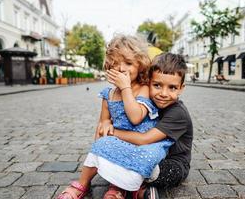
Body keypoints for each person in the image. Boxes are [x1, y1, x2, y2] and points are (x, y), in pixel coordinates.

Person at [57, 35, 174, 199]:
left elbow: (136, 118)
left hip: (140, 143)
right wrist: (105, 124)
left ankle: (118, 187)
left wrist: (126, 88)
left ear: (140, 65)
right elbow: (103, 121)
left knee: (142, 159)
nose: (121, 68)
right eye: (115, 63)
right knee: (101, 143)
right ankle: (82, 184)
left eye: (128, 63)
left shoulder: (143, 89)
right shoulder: (109, 94)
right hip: (118, 141)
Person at [103, 52, 193, 199]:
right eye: (157, 85)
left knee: (150, 168)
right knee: (129, 159)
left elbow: (143, 139)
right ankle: (137, 188)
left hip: (172, 162)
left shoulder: (178, 113)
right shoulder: (146, 102)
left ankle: (137, 188)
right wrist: (106, 121)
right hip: (149, 153)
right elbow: (124, 119)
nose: (163, 93)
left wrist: (112, 133)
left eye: (172, 88)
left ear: (181, 88)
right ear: (148, 82)